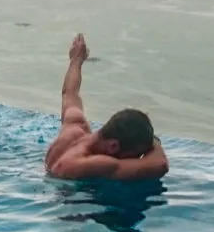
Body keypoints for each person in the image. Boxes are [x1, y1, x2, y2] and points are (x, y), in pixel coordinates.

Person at [45, 33, 168, 181]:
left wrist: (76, 60)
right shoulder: (96, 164)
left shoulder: (74, 127)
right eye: (135, 155)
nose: (136, 158)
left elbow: (70, 93)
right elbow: (161, 165)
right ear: (113, 146)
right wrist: (153, 141)